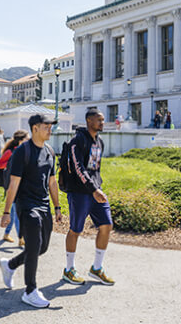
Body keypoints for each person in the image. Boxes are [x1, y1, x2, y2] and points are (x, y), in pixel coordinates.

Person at [0, 114, 62, 308]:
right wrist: (7, 211)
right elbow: (13, 183)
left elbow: (52, 182)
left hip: (44, 205)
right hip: (26, 205)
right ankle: (30, 290)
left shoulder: (50, 151)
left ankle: (10, 265)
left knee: (42, 248)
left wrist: (57, 207)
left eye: (51, 126)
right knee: (33, 246)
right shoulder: (22, 152)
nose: (50, 129)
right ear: (35, 128)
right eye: (46, 126)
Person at [62, 108, 115, 287]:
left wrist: (97, 187)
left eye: (102, 120)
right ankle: (69, 270)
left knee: (106, 225)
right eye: (99, 120)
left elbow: (96, 169)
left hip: (95, 191)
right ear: (89, 121)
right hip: (79, 192)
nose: (102, 123)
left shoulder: (100, 142)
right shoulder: (78, 140)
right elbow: (78, 168)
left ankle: (97, 268)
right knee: (75, 229)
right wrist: (93, 189)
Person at [0, 129, 29, 244]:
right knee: (16, 213)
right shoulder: (10, 152)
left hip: (21, 185)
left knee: (14, 212)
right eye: (26, 139)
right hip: (12, 185)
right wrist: (12, 164)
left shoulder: (24, 151)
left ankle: (6, 234)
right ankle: (21, 238)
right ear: (20, 140)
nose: (28, 140)